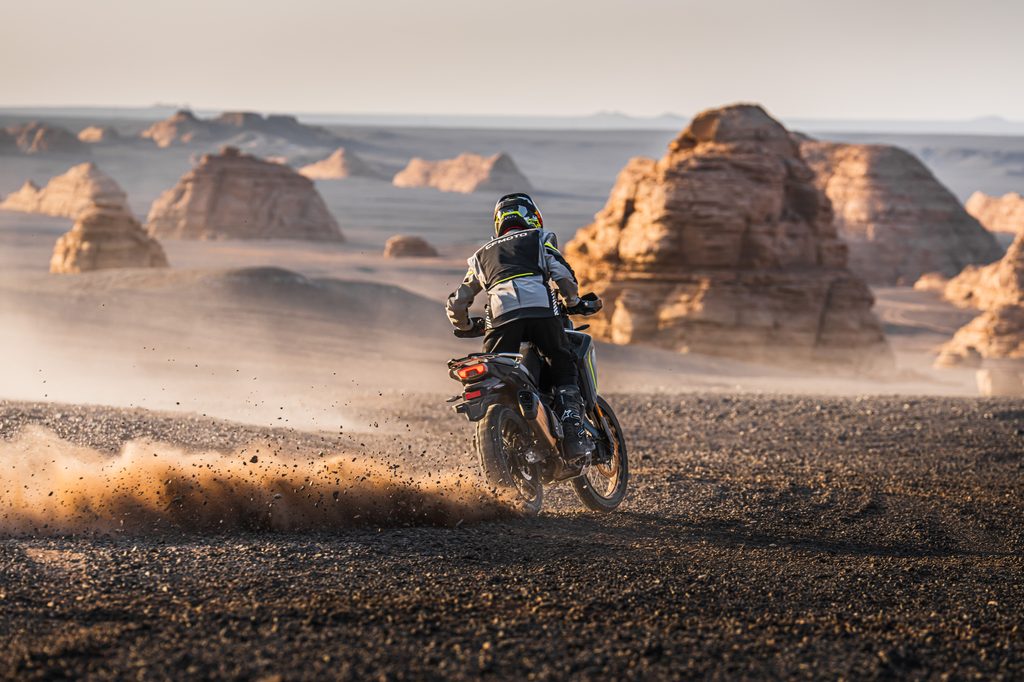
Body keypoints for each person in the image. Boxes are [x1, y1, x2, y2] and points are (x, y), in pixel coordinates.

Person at [446, 192, 595, 459]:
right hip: (541, 312)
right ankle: (572, 428)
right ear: (532, 217)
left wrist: (466, 325)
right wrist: (573, 301)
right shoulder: (539, 238)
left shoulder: (480, 256)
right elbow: (561, 273)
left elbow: (458, 301)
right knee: (561, 360)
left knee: (500, 375)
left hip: (500, 320)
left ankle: (511, 436)